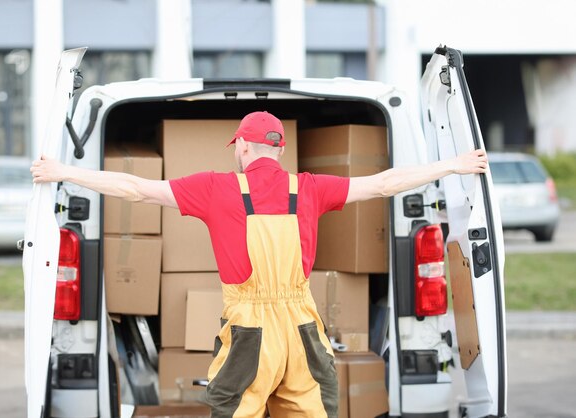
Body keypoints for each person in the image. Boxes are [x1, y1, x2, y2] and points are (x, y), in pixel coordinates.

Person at [31, 111, 488, 418]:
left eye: (237, 146)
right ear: (280, 150)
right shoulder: (308, 186)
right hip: (304, 329)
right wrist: (453, 165)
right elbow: (386, 184)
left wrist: (64, 172)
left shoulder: (215, 188)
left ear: (244, 148)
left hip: (249, 332)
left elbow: (134, 188)